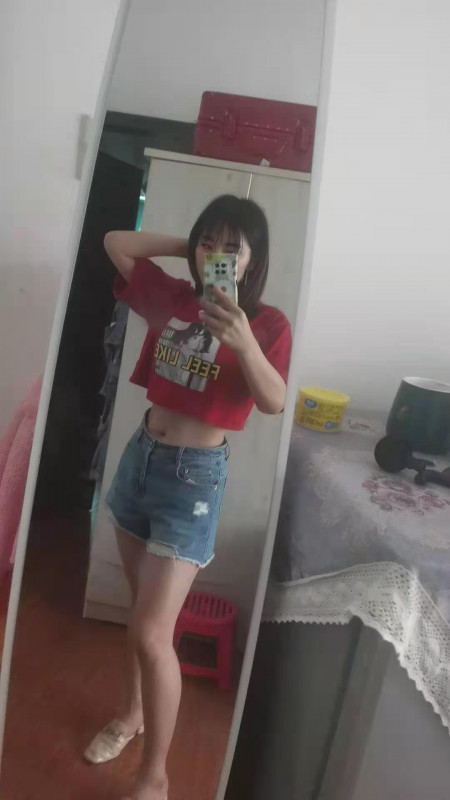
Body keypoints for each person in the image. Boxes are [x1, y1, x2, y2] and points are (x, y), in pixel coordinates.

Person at [84, 195, 292, 800]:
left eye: (232, 248)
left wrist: (244, 342)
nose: (217, 255)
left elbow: (275, 401)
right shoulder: (175, 297)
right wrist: (189, 250)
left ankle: (155, 778)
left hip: (194, 480)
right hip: (141, 458)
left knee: (153, 633)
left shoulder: (268, 324)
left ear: (253, 261)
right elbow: (115, 243)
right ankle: (131, 715)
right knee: (139, 617)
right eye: (209, 242)